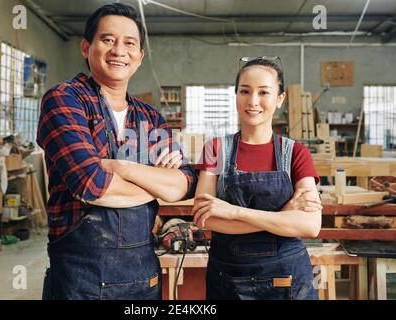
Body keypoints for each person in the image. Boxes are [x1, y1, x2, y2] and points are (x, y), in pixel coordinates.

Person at [37, 3, 197, 300]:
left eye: (129, 43)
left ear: (139, 57)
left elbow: (186, 183)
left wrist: (121, 168)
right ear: (86, 47)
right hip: (80, 277)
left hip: (143, 278)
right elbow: (91, 184)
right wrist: (158, 181)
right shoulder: (65, 100)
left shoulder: (149, 117)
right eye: (108, 40)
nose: (118, 51)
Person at [192, 57, 322, 300]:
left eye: (263, 92)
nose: (253, 101)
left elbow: (310, 225)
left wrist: (234, 212)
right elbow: (204, 219)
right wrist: (284, 216)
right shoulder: (215, 149)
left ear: (280, 99)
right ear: (236, 95)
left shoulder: (296, 153)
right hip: (228, 279)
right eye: (245, 91)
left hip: (287, 278)